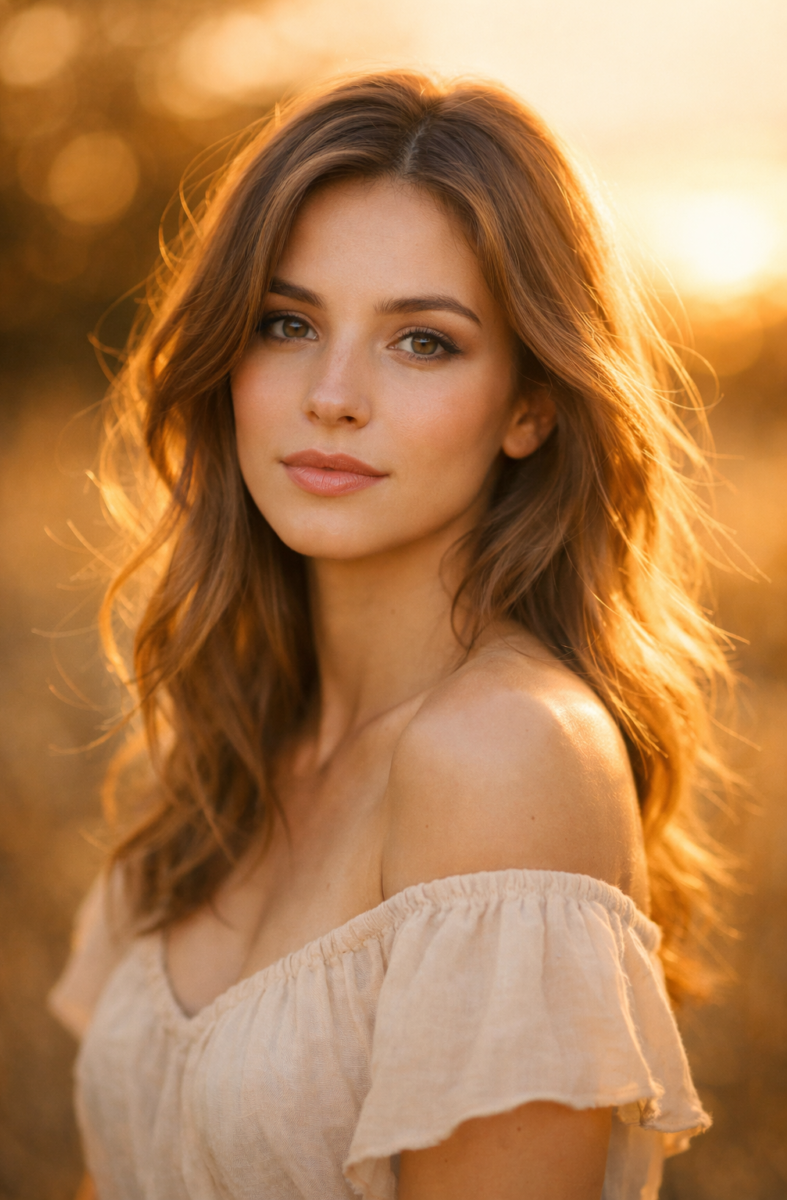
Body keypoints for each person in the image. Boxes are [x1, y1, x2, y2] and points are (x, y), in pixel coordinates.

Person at [49, 70, 728, 1200]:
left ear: (529, 407)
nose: (331, 393)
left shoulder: (504, 752)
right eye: (286, 323)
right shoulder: (233, 734)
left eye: (421, 342)